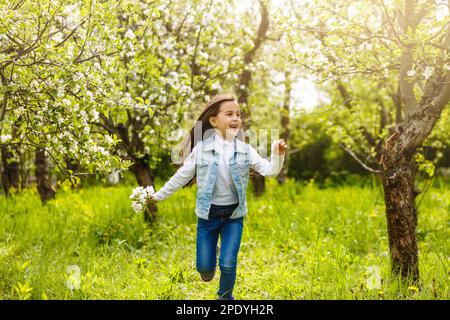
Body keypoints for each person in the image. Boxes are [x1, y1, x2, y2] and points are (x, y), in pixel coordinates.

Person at [148, 93, 287, 300]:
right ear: (213, 121)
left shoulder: (245, 150)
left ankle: (225, 298)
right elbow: (181, 177)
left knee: (228, 262)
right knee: (204, 268)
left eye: (238, 114)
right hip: (208, 217)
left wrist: (277, 153)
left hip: (233, 216)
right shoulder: (202, 150)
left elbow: (270, 171)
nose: (235, 118)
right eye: (229, 114)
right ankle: (208, 263)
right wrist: (158, 196)